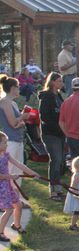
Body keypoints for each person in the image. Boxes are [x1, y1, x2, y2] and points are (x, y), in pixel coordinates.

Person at [0, 131, 41, 241]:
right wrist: (10, 177)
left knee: (18, 205)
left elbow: (19, 165)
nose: (6, 145)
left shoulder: (6, 155)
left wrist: (32, 173)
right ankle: (0, 232)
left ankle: (16, 225)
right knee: (8, 209)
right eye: (4, 143)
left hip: (7, 185)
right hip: (1, 187)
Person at [0, 75, 30, 204]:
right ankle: (5, 199)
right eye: (18, 87)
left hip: (18, 140)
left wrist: (22, 119)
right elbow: (13, 123)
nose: (19, 89)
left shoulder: (13, 103)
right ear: (12, 88)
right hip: (10, 141)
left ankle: (16, 199)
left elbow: (18, 123)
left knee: (18, 172)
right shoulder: (5, 102)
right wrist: (23, 117)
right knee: (10, 171)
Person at [38, 72, 66, 200]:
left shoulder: (58, 96)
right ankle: (52, 190)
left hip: (60, 133)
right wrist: (57, 126)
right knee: (55, 160)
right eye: (59, 81)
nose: (61, 83)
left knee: (60, 161)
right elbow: (44, 116)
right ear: (53, 82)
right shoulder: (47, 97)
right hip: (50, 133)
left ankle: (58, 188)